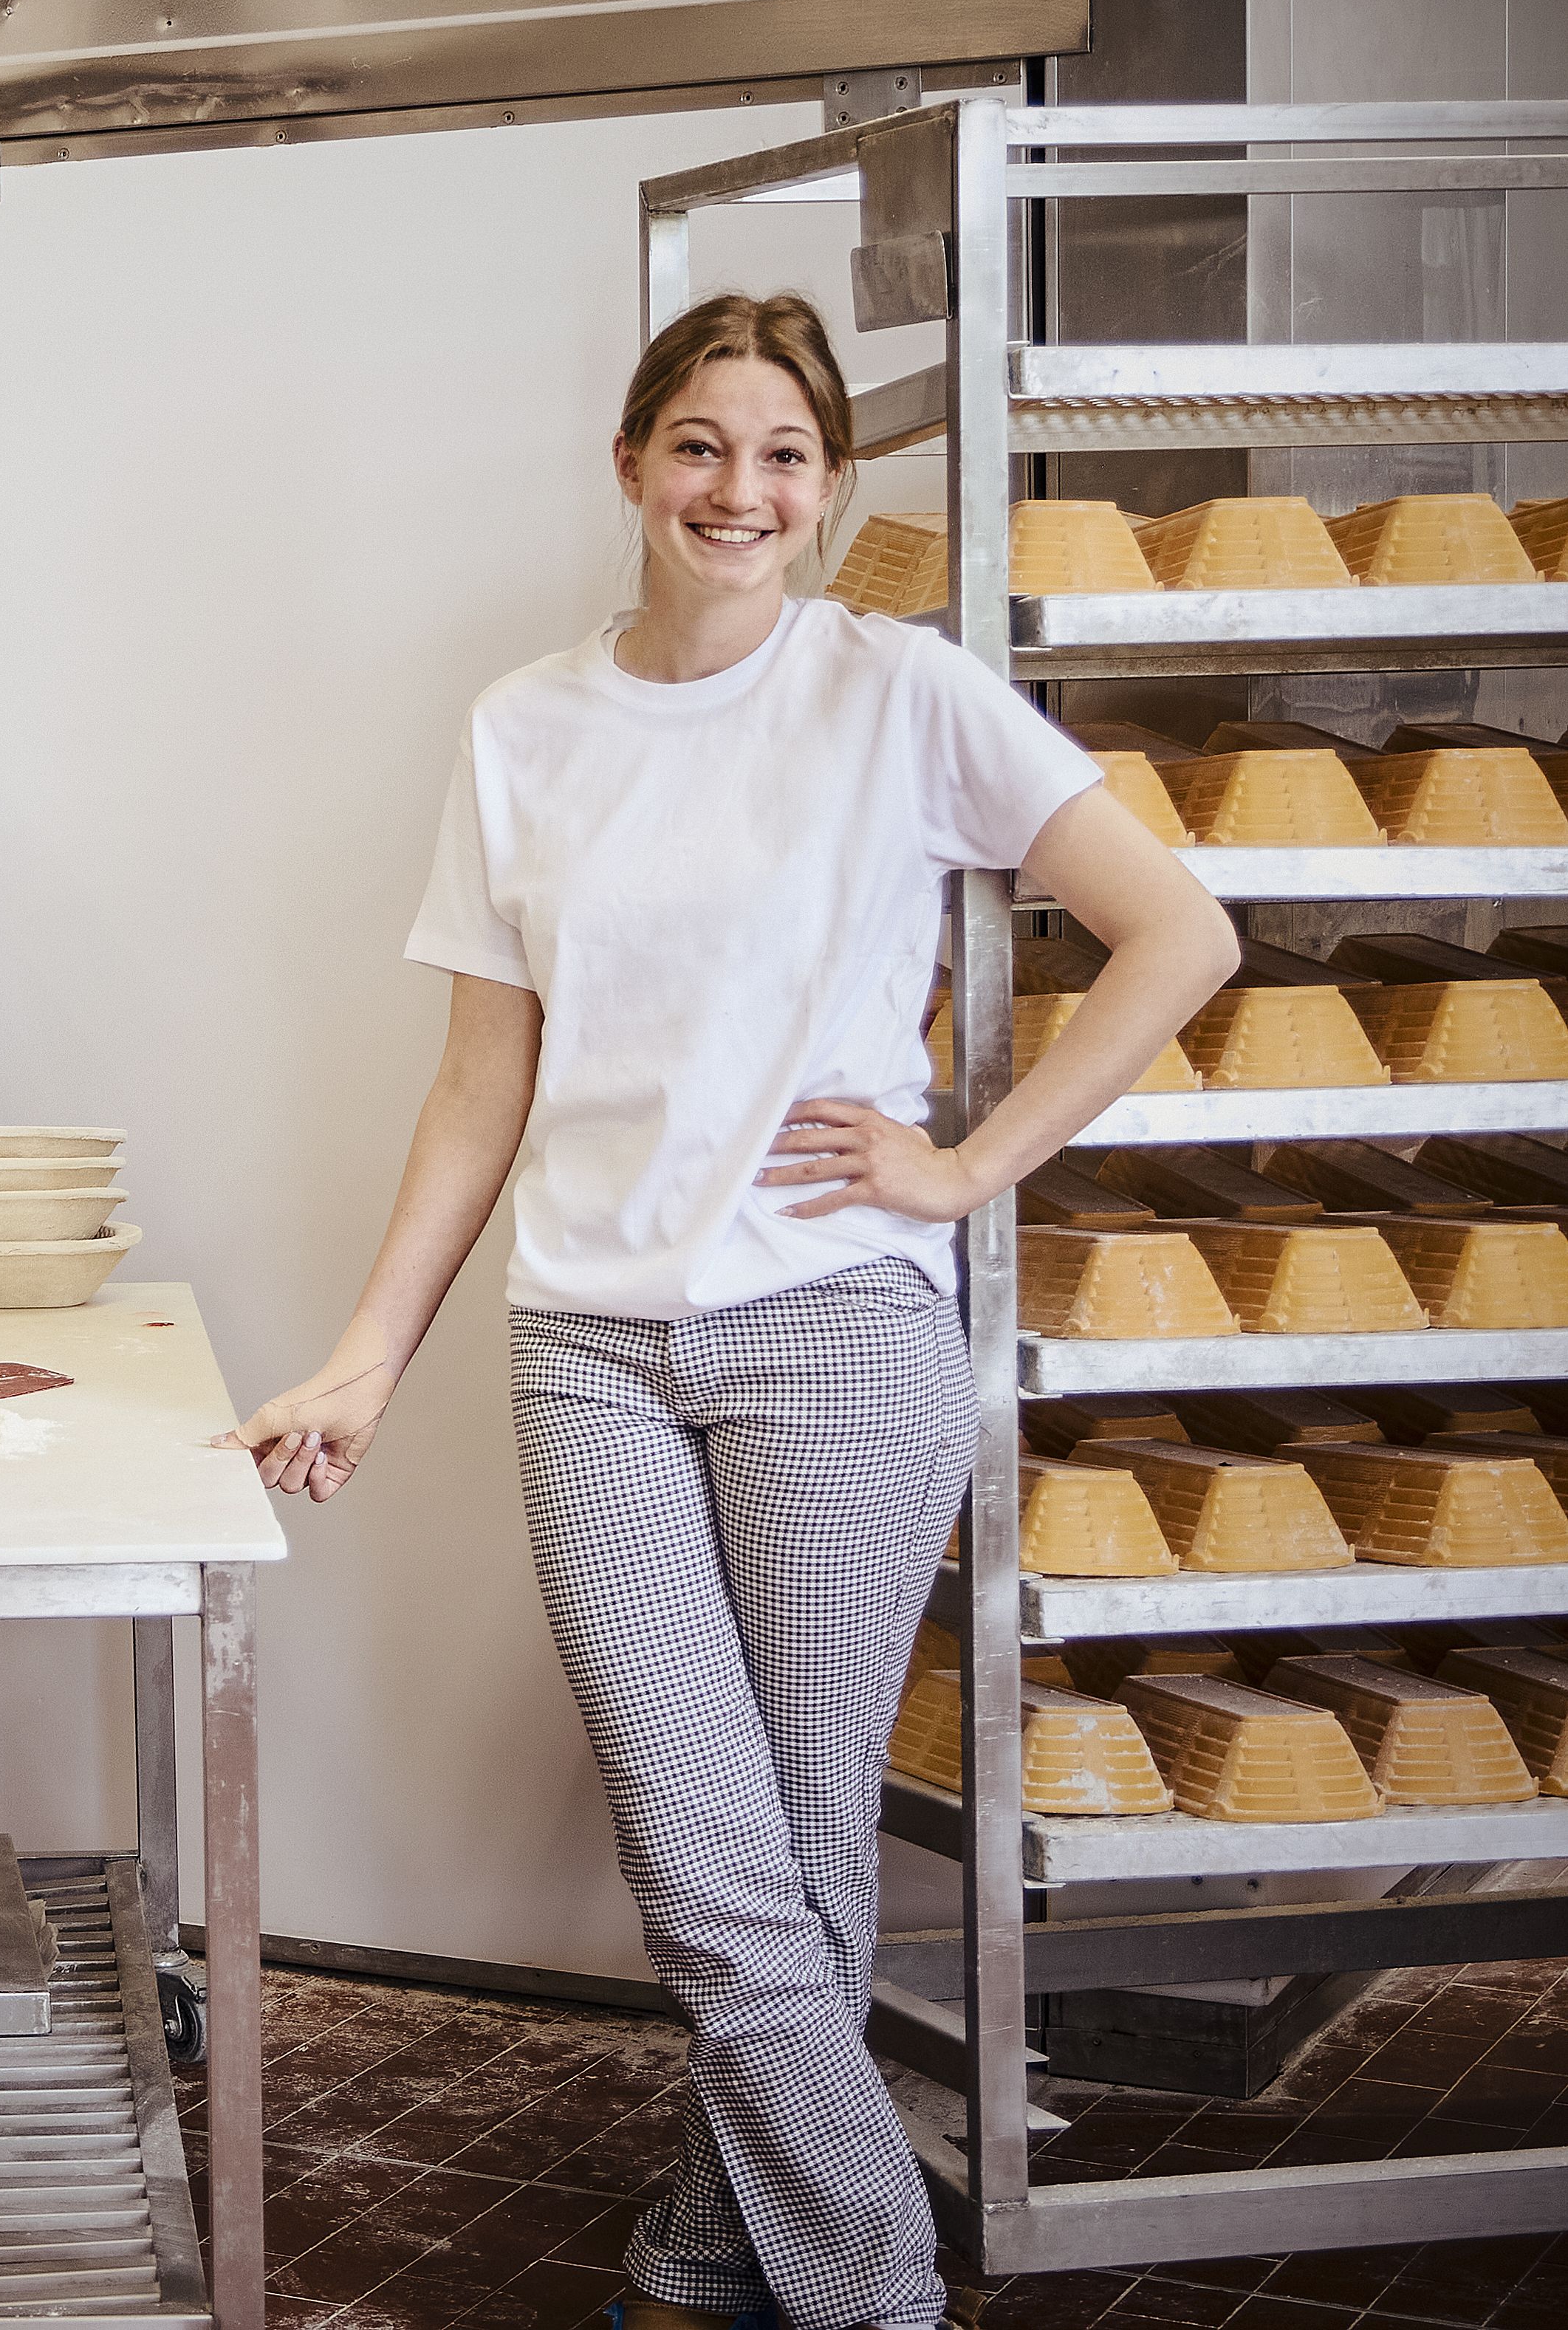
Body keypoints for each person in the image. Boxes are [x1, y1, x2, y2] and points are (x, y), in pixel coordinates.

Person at [225, 295, 1238, 2330]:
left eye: (782, 453)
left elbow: (1177, 930)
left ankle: (709, 2255)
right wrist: (366, 1352)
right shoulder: (523, 729)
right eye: (699, 445)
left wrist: (959, 1167)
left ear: (827, 484)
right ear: (629, 465)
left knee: (792, 1857)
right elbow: (477, 1085)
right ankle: (875, 2291)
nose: (739, 491)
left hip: (832, 1336)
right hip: (586, 1346)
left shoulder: (899, 694)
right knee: (711, 1869)